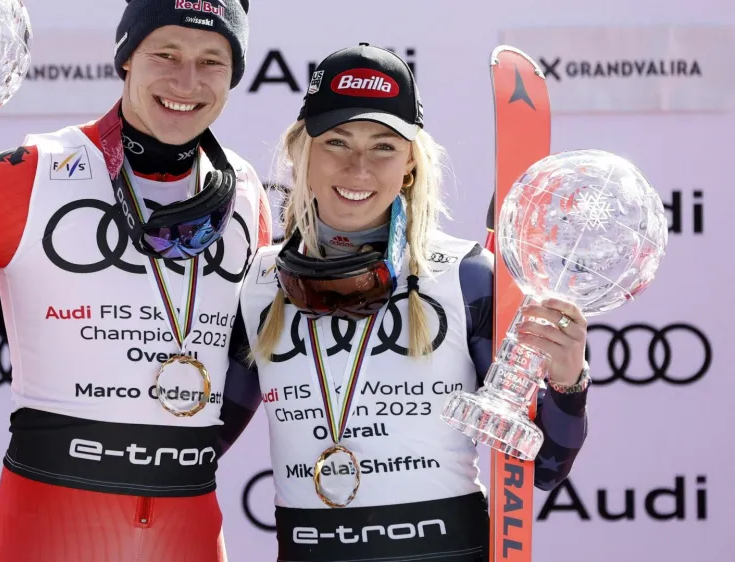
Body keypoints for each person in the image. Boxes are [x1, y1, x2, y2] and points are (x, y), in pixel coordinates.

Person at [0, 1, 272, 560]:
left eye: (213, 60)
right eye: (166, 53)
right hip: (49, 526)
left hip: (189, 528)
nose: (188, 80)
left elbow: (248, 360)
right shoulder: (35, 171)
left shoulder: (245, 192)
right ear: (126, 57)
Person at [225, 43, 590, 562]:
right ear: (301, 155)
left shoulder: (465, 277)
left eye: (383, 147)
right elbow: (198, 443)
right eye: (336, 142)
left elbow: (545, 467)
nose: (358, 168)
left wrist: (567, 380)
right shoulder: (259, 282)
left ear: (410, 166)